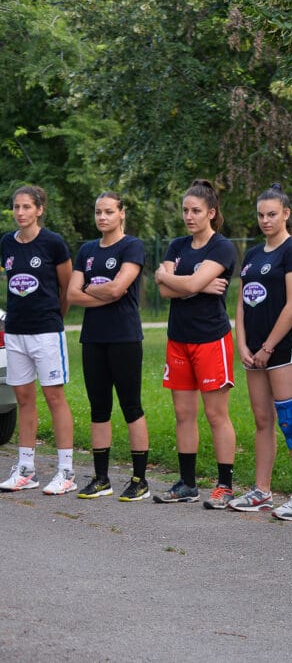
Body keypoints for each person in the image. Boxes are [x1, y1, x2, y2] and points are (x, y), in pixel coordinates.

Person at [229, 184, 292, 520]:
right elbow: (240, 302)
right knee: (262, 420)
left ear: (286, 214)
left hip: (284, 348)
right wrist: (243, 344)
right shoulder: (251, 255)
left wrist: (267, 347)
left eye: (272, 214)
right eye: (261, 215)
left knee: (290, 420)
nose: (266, 220)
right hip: (255, 352)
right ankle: (262, 491)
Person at [152, 179, 238, 509]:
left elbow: (183, 281)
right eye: (186, 210)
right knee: (182, 414)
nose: (189, 216)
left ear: (211, 213)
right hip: (178, 339)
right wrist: (192, 285)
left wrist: (173, 279)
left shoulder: (222, 247)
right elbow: (166, 290)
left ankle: (225, 486)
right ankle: (187, 484)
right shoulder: (177, 245)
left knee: (216, 415)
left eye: (196, 211)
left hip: (210, 339)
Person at [67, 192, 151, 502]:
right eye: (98, 212)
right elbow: (73, 295)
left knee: (131, 406)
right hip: (93, 338)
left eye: (109, 212)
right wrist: (100, 291)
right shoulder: (87, 250)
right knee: (99, 408)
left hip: (124, 337)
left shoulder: (132, 246)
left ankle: (139, 480)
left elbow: (119, 288)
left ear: (121, 214)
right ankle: (101, 478)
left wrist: (91, 288)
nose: (103, 217)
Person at [0, 185, 77, 495]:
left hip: (46, 331)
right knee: (23, 398)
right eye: (17, 207)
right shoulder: (6, 243)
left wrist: (53, 317)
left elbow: (67, 288)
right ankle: (26, 468)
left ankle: (66, 471)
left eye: (27, 207)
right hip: (15, 332)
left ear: (39, 209)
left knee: (54, 397)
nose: (20, 213)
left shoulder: (53, 243)